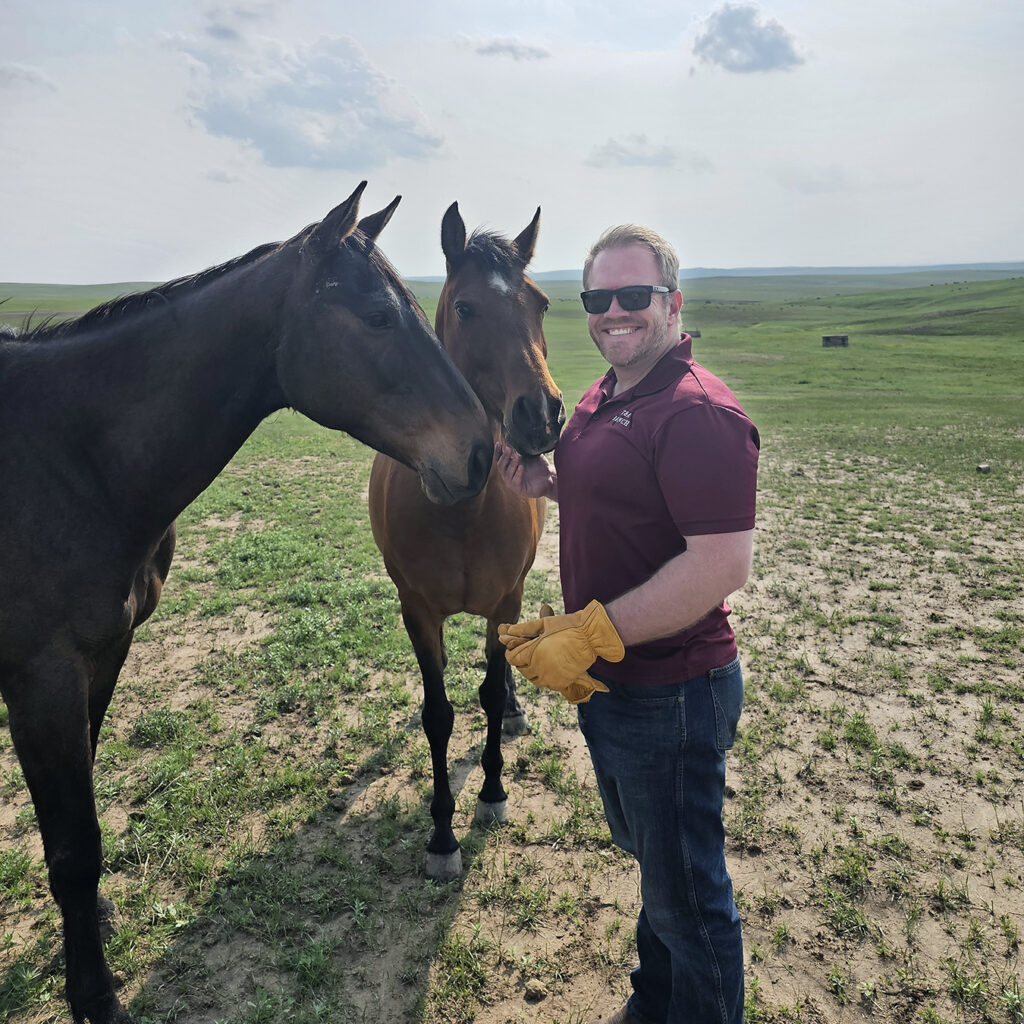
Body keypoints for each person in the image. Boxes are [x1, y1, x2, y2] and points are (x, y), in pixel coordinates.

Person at [495, 224, 759, 1024]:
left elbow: (720, 565)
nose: (615, 312)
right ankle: (656, 1004)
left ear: (672, 304)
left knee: (689, 900)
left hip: (673, 693)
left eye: (634, 296)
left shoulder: (697, 413)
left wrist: (592, 632)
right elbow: (629, 501)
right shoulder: (606, 395)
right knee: (659, 873)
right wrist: (546, 482)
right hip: (616, 686)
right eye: (598, 298)